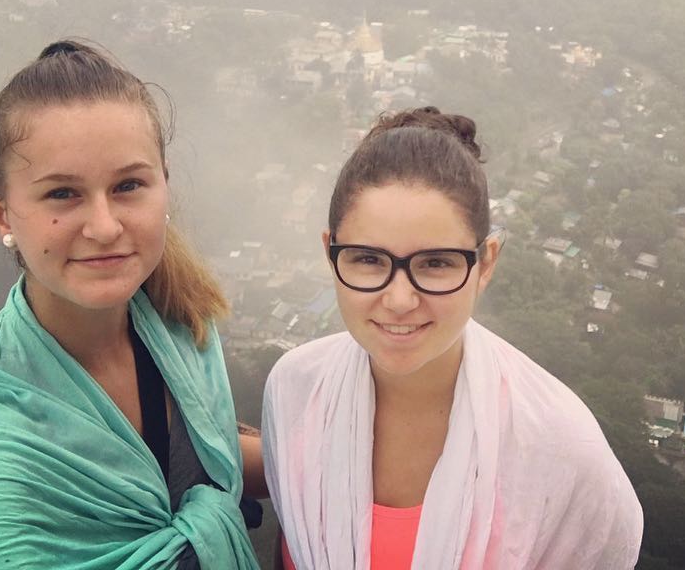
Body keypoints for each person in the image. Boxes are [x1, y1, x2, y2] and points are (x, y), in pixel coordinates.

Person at [0, 40, 262, 569]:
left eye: (128, 185)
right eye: (62, 194)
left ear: (164, 185)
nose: (103, 227)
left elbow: (213, 462)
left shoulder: (176, 324)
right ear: (1, 212)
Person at [262, 107, 643, 569]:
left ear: (486, 264)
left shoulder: (558, 446)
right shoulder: (297, 391)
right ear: (330, 253)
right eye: (368, 260)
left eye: (436, 263)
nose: (399, 299)